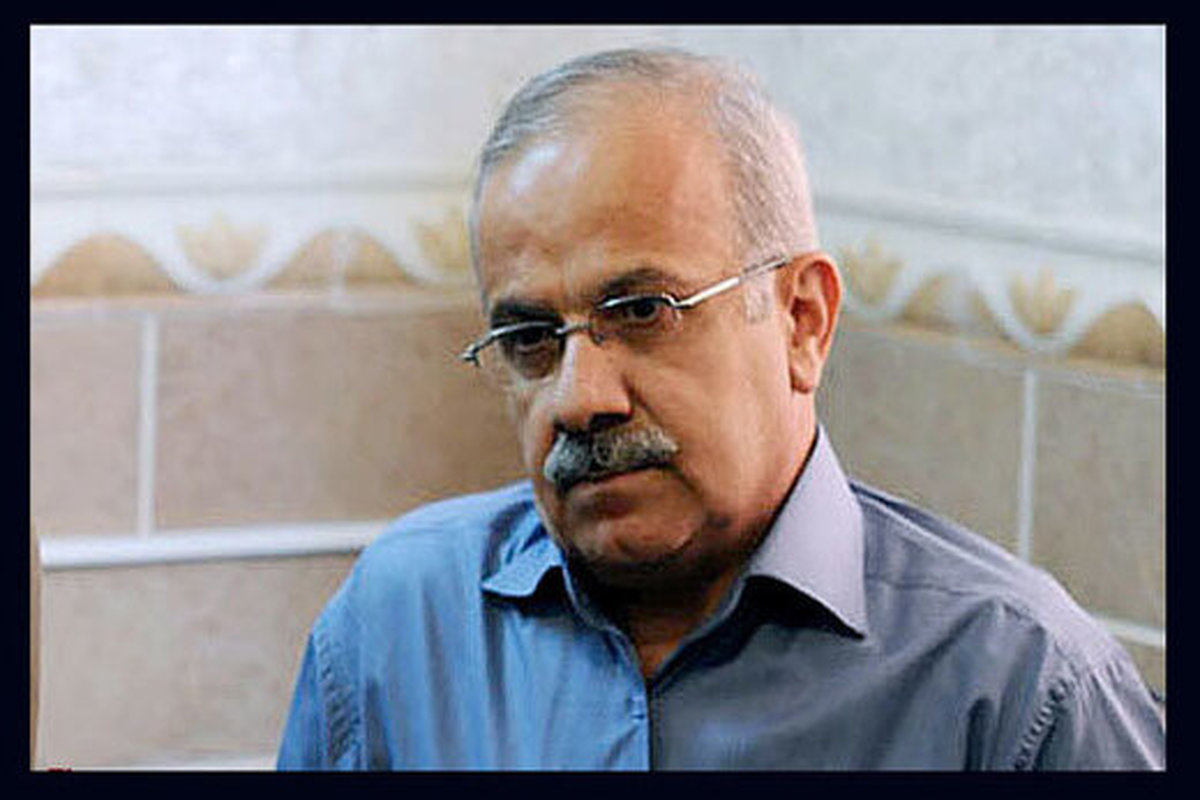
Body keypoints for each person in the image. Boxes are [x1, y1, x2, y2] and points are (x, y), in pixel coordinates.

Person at [276, 46, 1165, 770]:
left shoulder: (1016, 690)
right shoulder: (399, 630)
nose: (580, 399)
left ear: (802, 321)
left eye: (642, 312)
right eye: (530, 338)